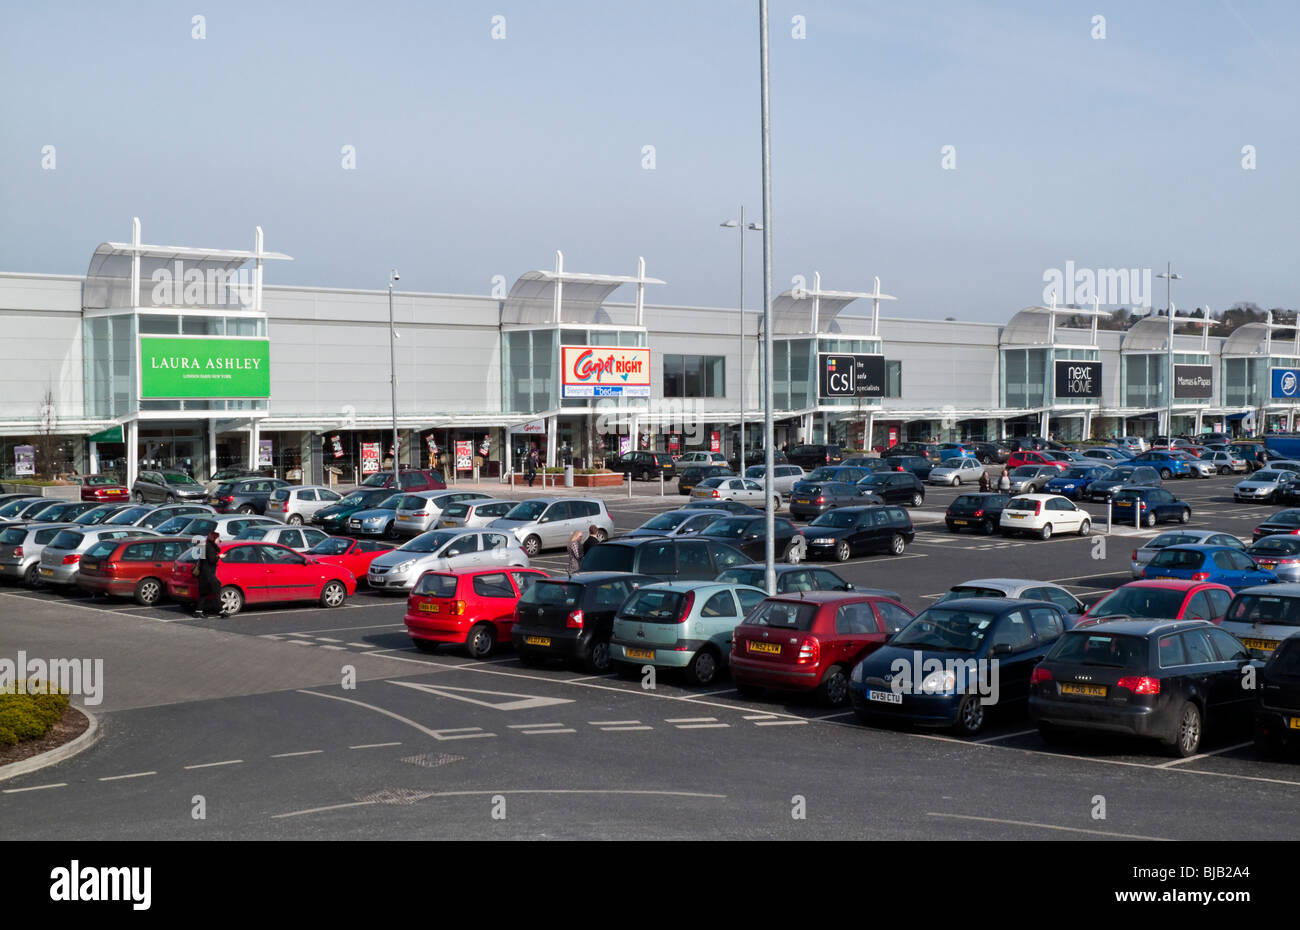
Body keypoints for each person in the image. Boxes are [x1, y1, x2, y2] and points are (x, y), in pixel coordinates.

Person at [195, 531, 223, 618]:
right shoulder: (210, 547)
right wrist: (219, 557)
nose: (219, 540)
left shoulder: (205, 546)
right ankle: (221, 611)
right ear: (214, 539)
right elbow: (211, 560)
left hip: (204, 574)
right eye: (218, 538)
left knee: (204, 593)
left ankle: (198, 611)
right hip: (208, 574)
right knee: (217, 590)